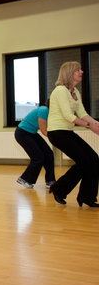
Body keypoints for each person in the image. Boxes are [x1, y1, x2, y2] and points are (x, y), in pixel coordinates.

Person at [47, 61, 99, 207]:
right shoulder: (60, 91)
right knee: (84, 161)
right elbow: (68, 116)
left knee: (94, 159)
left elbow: (82, 113)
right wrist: (91, 127)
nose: (81, 72)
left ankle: (87, 197)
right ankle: (59, 188)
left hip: (67, 131)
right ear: (69, 73)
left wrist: (96, 124)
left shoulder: (75, 92)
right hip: (57, 132)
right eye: (78, 70)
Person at [14, 101, 55, 189]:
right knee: (38, 157)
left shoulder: (51, 113)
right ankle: (25, 179)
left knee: (48, 154)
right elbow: (44, 131)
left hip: (31, 133)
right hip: (22, 133)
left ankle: (50, 181)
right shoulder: (44, 110)